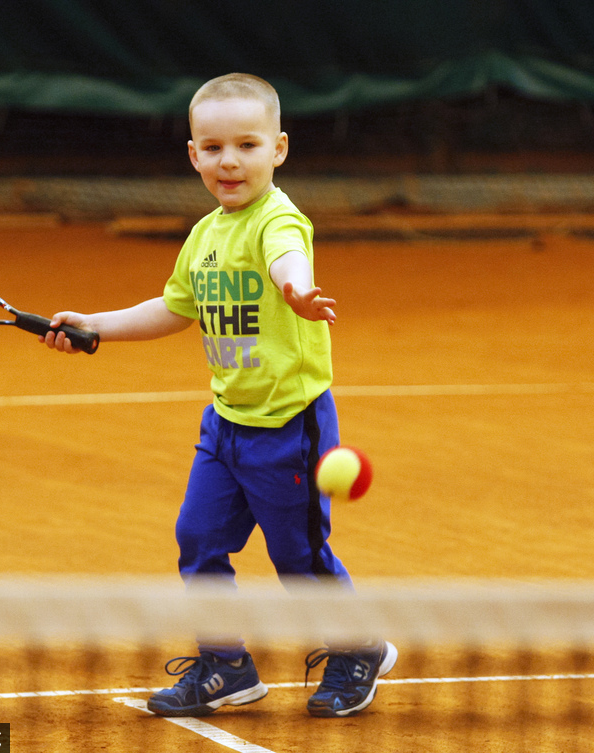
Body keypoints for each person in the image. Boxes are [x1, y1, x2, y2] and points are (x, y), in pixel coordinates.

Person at [40, 72, 396, 718]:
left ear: (279, 149)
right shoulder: (204, 238)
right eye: (212, 148)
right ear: (193, 155)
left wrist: (295, 289)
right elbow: (173, 307)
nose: (228, 160)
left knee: (299, 555)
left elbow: (289, 257)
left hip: (291, 425)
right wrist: (96, 325)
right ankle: (226, 664)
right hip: (226, 426)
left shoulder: (278, 220)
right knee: (197, 537)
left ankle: (357, 646)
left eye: (247, 145)